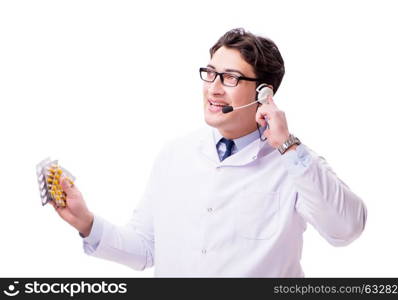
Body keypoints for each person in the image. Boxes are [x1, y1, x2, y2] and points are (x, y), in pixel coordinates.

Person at [51, 28, 367, 277]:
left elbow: (347, 229)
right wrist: (87, 223)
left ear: (264, 92)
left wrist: (288, 146)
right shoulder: (175, 155)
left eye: (230, 78)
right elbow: (146, 248)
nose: (213, 88)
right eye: (210, 73)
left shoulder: (295, 163)